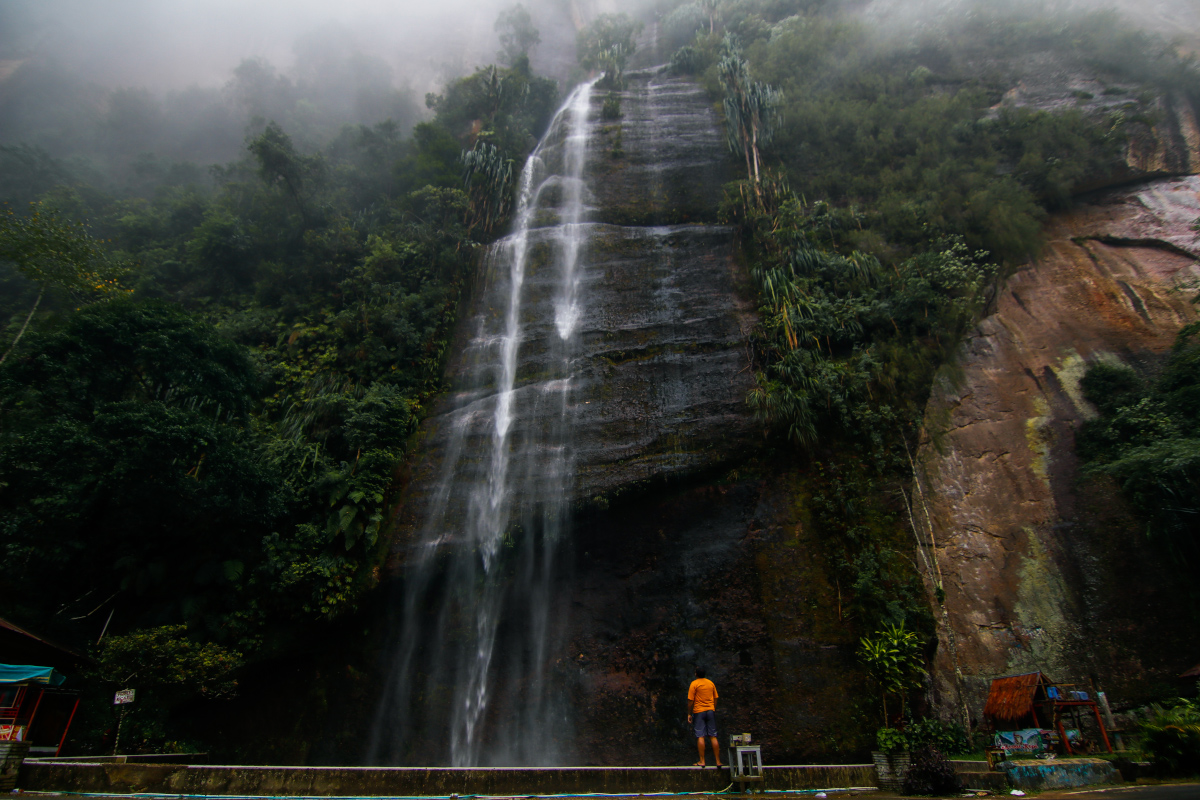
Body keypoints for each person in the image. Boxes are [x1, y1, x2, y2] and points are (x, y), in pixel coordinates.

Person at [687, 667, 722, 768]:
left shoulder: (694, 684)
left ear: (696, 674)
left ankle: (702, 761)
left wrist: (689, 713)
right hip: (710, 711)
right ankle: (718, 761)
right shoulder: (710, 683)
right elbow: (716, 697)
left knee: (700, 736)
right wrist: (713, 708)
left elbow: (690, 700)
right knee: (713, 736)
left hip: (699, 711)